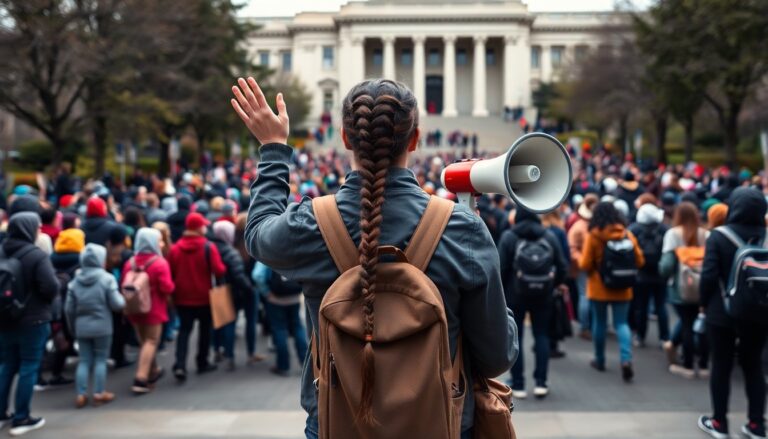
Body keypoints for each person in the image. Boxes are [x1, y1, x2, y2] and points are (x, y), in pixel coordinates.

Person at [232, 77, 517, 438]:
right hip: (442, 422)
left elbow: (257, 234)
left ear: (346, 138)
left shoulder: (312, 224)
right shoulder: (462, 230)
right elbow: (498, 357)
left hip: (335, 423)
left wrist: (274, 149)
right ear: (415, 140)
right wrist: (489, 274)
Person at [697, 188, 767, 439]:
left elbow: (708, 276)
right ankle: (757, 424)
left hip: (722, 311)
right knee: (754, 366)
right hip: (759, 312)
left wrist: (704, 304)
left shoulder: (718, 236)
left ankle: (719, 423)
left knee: (722, 366)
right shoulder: (766, 236)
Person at [0, 213, 60, 436]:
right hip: (33, 318)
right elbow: (50, 287)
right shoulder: (36, 255)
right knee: (28, 366)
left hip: (5, 317)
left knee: (7, 365)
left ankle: (1, 413)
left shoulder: (1, 250)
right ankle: (21, 417)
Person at [499, 209, 566, 399]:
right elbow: (562, 265)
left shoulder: (509, 236)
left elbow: (500, 267)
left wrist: (502, 293)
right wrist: (555, 284)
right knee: (542, 335)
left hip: (515, 294)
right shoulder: (549, 235)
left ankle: (518, 384)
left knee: (516, 337)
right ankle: (541, 382)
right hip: (544, 294)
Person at [578, 202, 644, 382]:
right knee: (622, 324)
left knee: (599, 323)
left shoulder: (593, 235)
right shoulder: (626, 234)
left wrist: (595, 269)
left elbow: (584, 264)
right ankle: (626, 359)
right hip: (623, 287)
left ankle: (599, 360)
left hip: (599, 287)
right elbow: (639, 260)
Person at [65, 244, 125, 408]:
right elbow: (117, 304)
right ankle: (99, 393)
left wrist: (72, 328)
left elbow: (69, 309)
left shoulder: (75, 281)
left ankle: (81, 394)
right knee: (100, 360)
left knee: (84, 360)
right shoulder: (107, 279)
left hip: (81, 326)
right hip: (102, 326)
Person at [168, 212, 226, 381]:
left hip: (182, 298)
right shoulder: (208, 247)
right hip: (204, 297)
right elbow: (219, 270)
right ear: (197, 227)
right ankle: (202, 362)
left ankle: (180, 365)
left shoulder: (175, 249)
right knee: (204, 331)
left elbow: (170, 271)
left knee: (184, 332)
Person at [659, 201, 710, 379]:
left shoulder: (673, 234)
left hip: (680, 288)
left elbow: (666, 266)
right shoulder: (706, 235)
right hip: (702, 286)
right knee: (701, 323)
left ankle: (688, 365)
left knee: (687, 324)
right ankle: (703, 364)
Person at [122, 228, 175, 394]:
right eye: (158, 240)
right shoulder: (159, 263)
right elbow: (167, 287)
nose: (161, 243)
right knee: (151, 341)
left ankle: (154, 371)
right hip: (154, 309)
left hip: (134, 308)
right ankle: (141, 378)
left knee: (144, 341)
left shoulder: (129, 263)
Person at [252, 261, 308, 377]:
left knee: (279, 329)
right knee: (298, 327)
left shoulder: (267, 250)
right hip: (294, 295)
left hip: (276, 299)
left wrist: (266, 292)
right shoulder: (292, 248)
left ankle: (283, 366)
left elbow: (257, 275)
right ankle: (306, 363)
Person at [209, 221, 252, 370]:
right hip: (235, 291)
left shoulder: (210, 247)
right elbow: (238, 274)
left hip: (217, 290)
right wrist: (249, 288)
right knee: (230, 323)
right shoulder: (231, 251)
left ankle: (218, 350)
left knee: (218, 321)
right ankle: (230, 355)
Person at [628, 203, 669, 348]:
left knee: (641, 307)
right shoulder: (664, 229)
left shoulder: (634, 229)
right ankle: (664, 338)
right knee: (661, 307)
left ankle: (640, 336)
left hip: (640, 274)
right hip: (660, 274)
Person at [568, 193, 597, 338]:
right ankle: (591, 325)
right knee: (590, 297)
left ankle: (585, 326)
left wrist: (581, 261)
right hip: (595, 266)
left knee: (584, 296)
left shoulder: (578, 227)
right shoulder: (598, 225)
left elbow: (572, 248)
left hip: (583, 266)